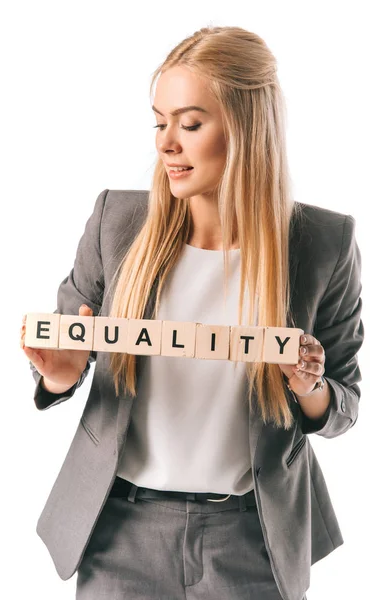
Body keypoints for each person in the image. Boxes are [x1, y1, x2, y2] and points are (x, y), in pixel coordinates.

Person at [20, 25, 363, 600]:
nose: (166, 143)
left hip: (253, 539)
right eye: (160, 121)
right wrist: (58, 374)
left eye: (191, 123)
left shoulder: (323, 243)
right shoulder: (115, 222)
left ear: (248, 129)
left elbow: (344, 404)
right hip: (120, 534)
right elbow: (61, 360)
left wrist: (310, 386)